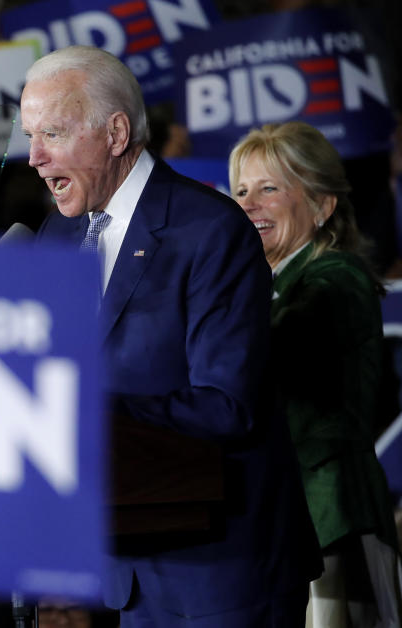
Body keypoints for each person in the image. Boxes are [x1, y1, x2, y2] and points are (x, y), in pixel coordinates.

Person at [0, 44, 321, 626]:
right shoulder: (58, 238)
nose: (34, 158)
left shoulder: (209, 231)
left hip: (220, 573)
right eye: (30, 136)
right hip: (119, 572)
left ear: (115, 132)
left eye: (53, 135)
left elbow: (226, 406)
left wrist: (76, 408)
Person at [230, 121, 402, 627]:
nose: (248, 204)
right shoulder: (272, 281)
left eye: (269, 188)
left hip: (333, 524)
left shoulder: (337, 278)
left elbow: (280, 343)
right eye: (241, 191)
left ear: (323, 206)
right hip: (283, 525)